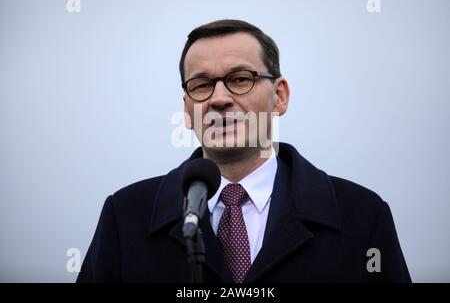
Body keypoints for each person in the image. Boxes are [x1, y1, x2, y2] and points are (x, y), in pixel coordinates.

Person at [77, 19, 411, 283]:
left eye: (240, 79)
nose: (219, 98)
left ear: (279, 96)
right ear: (187, 109)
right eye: (202, 84)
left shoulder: (362, 215)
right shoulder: (125, 216)